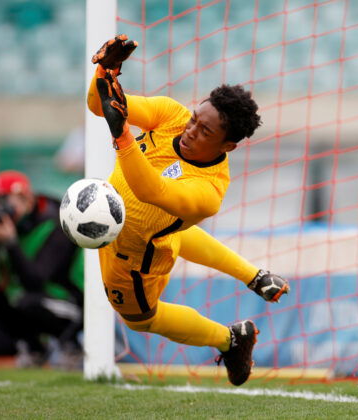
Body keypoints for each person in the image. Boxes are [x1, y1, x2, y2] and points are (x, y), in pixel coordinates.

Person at [86, 35, 290, 386]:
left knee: (140, 320)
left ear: (227, 146)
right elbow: (98, 105)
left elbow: (151, 190)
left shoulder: (210, 190)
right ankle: (254, 276)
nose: (190, 130)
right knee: (171, 230)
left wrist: (122, 136)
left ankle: (230, 340)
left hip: (135, 257)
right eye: (194, 119)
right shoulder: (171, 114)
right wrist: (106, 72)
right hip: (114, 219)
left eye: (204, 131)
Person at [0, 170, 83, 367]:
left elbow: (35, 281)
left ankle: (72, 347)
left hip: (75, 303)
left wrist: (11, 243)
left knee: (27, 301)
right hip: (38, 298)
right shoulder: (13, 227)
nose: (1, 207)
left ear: (28, 201)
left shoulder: (57, 224)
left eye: (6, 200)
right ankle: (35, 348)